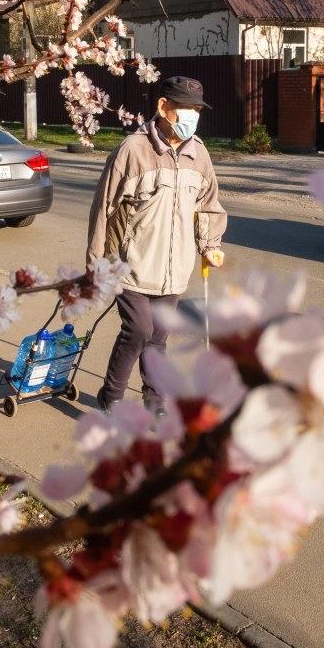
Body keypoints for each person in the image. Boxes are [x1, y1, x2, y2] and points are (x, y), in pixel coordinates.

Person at [85, 76, 227, 414]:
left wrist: (210, 244)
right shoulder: (133, 151)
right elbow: (103, 208)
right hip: (130, 265)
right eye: (186, 110)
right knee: (138, 330)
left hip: (174, 270)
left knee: (159, 339)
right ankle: (112, 398)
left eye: (197, 110)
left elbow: (209, 204)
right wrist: (96, 265)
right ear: (163, 107)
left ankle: (155, 404)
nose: (193, 117)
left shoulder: (199, 154)